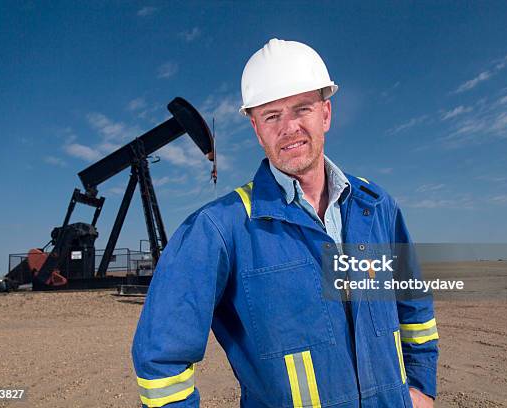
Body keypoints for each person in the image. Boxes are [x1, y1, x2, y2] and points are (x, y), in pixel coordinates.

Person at [132, 38, 438, 408]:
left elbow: (414, 309)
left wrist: (421, 388)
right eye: (272, 116)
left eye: (301, 109)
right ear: (256, 129)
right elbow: (161, 358)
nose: (289, 127)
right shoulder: (220, 230)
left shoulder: (376, 208)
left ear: (326, 113)